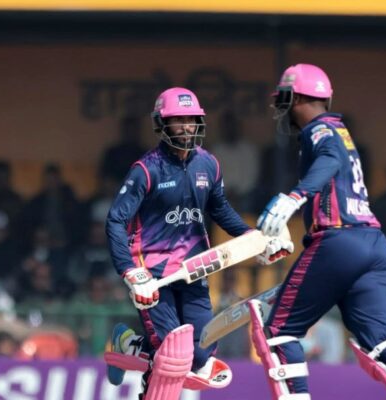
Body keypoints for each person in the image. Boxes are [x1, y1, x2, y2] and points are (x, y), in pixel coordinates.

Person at [253, 64, 386, 399]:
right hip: (374, 243)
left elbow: (329, 161)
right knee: (379, 338)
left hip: (338, 241)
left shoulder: (319, 130)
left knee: (279, 331)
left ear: (296, 98)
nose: (282, 109)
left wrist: (295, 197)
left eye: (285, 99)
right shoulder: (339, 130)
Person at [104, 87, 292, 398]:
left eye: (192, 120)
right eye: (178, 120)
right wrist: (130, 272)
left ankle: (128, 343)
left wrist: (255, 239)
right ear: (162, 124)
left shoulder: (209, 164)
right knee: (171, 355)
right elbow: (115, 220)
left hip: (194, 268)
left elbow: (220, 209)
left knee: (201, 357)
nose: (187, 127)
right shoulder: (146, 170)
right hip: (152, 271)